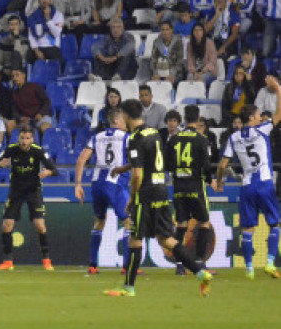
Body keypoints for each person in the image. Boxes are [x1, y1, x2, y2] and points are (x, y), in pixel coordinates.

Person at [106, 99, 213, 298]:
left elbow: (138, 175)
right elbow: (152, 161)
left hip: (145, 194)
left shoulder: (135, 138)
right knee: (166, 239)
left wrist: (131, 198)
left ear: (127, 116)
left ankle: (128, 288)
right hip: (161, 191)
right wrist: (124, 168)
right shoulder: (154, 133)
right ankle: (200, 272)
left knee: (135, 239)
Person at [216, 79, 281, 279]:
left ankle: (250, 269)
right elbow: (279, 112)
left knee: (247, 227)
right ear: (252, 119)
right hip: (265, 183)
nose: (260, 118)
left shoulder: (233, 137)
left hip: (247, 186)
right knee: (275, 224)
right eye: (258, 116)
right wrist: (278, 89)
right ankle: (270, 262)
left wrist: (219, 181)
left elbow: (223, 165)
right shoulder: (262, 130)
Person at [0, 125, 58, 271]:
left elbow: (55, 169)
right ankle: (7, 262)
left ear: (32, 139)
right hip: (16, 191)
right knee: (7, 225)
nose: (24, 141)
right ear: (18, 138)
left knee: (40, 226)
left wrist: (48, 173)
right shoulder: (11, 149)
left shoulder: (38, 151)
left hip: (34, 190)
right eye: (22, 138)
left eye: (27, 138)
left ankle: (47, 261)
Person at [74, 109, 132, 275]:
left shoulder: (96, 137)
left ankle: (92, 265)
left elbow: (81, 159)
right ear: (117, 121)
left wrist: (78, 184)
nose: (126, 124)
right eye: (124, 121)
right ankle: (127, 267)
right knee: (129, 223)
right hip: (115, 184)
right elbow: (136, 158)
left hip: (97, 183)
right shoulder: (126, 137)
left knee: (99, 222)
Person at [168, 105, 217, 276]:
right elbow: (206, 165)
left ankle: (180, 265)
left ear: (184, 118)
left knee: (181, 225)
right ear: (198, 118)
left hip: (179, 187)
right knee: (203, 223)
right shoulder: (201, 139)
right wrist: (211, 180)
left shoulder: (174, 139)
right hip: (196, 187)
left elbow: (168, 164)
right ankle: (199, 263)